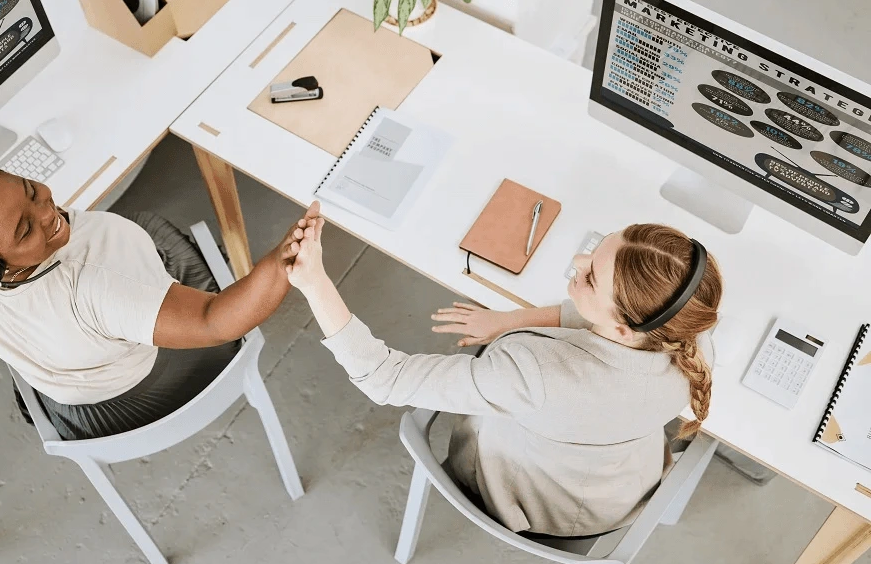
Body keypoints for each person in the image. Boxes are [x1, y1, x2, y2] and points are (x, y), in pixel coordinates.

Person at [285, 213, 721, 538]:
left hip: (537, 503)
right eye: (599, 246)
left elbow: (384, 377)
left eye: (590, 277)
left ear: (623, 327)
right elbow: (595, 320)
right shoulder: (690, 339)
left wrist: (314, 281)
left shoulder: (532, 375)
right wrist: (507, 321)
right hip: (618, 488)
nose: (577, 260)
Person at [0, 151, 319, 440]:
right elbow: (214, 320)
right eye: (25, 230)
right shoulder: (98, 269)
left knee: (140, 232)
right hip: (154, 385)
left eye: (30, 191)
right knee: (146, 227)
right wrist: (284, 257)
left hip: (77, 418)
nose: (48, 212)